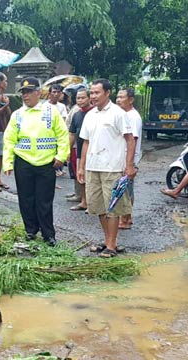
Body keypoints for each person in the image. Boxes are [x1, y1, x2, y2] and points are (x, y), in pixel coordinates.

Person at [3, 77, 70, 246]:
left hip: (47, 162)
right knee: (26, 198)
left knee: (44, 200)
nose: (26, 96)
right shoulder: (17, 115)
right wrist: (8, 162)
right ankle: (31, 230)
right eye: (23, 93)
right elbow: (9, 139)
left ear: (39, 93)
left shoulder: (50, 111)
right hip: (23, 162)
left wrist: (61, 156)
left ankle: (48, 234)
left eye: (29, 92)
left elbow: (62, 135)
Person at [78, 79, 136, 257]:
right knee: (99, 207)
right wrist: (81, 167)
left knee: (113, 208)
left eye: (96, 93)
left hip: (112, 167)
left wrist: (129, 165)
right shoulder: (90, 115)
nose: (93, 96)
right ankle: (108, 240)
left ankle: (111, 245)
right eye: (92, 93)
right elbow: (86, 142)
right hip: (93, 167)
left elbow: (130, 139)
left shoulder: (118, 114)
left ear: (107, 93)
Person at [115, 88, 141, 229]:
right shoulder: (124, 115)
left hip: (128, 159)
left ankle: (124, 219)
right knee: (127, 187)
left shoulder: (132, 117)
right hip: (125, 158)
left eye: (122, 97)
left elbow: (133, 140)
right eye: (117, 97)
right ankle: (127, 217)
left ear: (131, 99)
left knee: (125, 189)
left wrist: (129, 164)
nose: (118, 99)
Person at [67, 87, 93, 211]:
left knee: (91, 179)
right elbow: (72, 134)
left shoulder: (94, 113)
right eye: (78, 98)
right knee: (81, 177)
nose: (80, 100)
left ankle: (92, 204)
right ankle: (84, 202)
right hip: (79, 150)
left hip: (92, 152)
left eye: (83, 98)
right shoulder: (77, 114)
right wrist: (68, 150)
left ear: (89, 98)